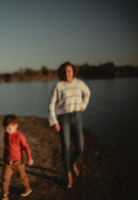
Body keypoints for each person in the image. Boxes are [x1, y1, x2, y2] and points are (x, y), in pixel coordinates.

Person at [48, 61, 91, 189]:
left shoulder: (79, 83)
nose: (67, 73)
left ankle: (72, 162)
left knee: (80, 147)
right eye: (65, 71)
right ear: (62, 73)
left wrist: (83, 105)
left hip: (76, 116)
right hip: (63, 118)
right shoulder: (58, 85)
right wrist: (54, 121)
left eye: (69, 71)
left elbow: (88, 93)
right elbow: (51, 104)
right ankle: (68, 176)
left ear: (73, 72)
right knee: (65, 146)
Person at [1, 115, 34, 200]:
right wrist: (4, 158)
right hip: (8, 163)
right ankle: (5, 194)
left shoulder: (19, 136)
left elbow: (26, 147)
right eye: (6, 129)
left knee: (23, 177)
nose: (7, 131)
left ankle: (27, 188)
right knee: (5, 179)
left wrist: (30, 158)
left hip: (18, 162)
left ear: (16, 125)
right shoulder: (6, 134)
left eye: (9, 129)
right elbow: (6, 147)